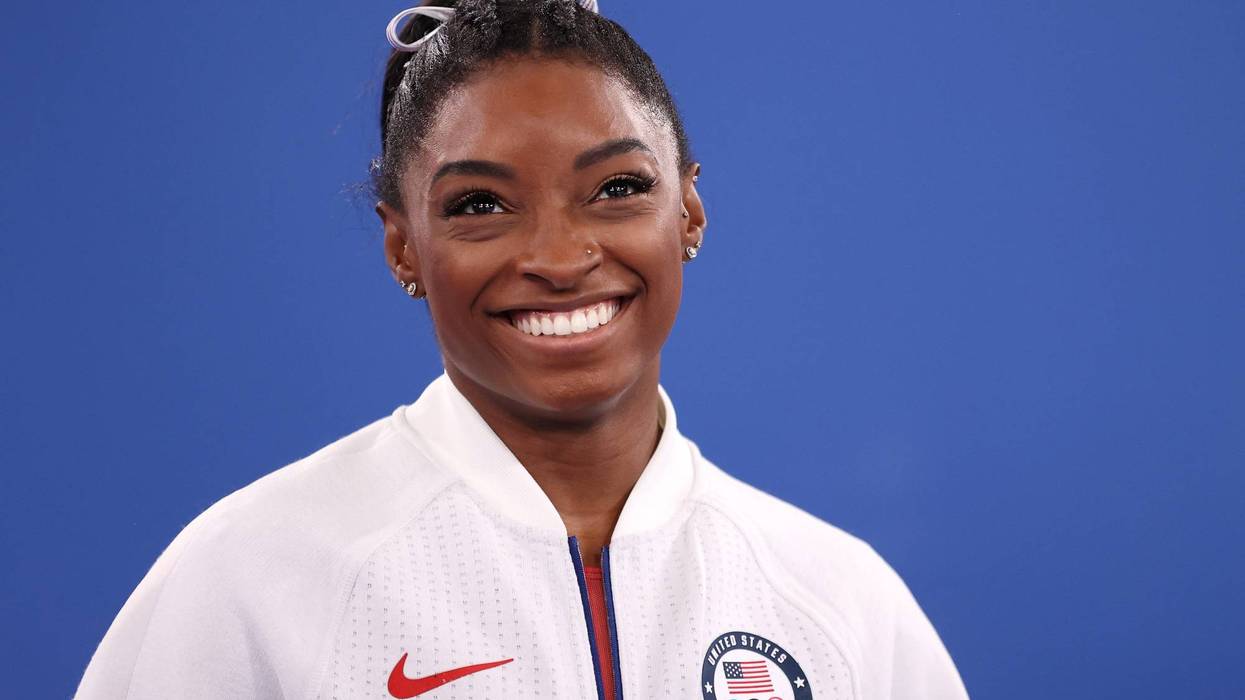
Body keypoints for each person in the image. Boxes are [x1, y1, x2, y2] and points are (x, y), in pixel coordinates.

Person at [76, 1, 969, 698]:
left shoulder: (837, 599)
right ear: (402, 246)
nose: (559, 257)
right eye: (480, 205)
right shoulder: (251, 579)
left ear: (688, 211)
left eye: (616, 187)